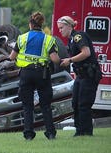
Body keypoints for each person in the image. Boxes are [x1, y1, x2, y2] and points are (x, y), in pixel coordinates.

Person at [9, 11, 60, 140]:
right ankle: (50, 133)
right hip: (42, 74)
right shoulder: (49, 39)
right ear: (42, 24)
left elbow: (12, 57)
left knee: (27, 106)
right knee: (45, 105)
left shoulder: (22, 38)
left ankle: (28, 135)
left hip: (26, 74)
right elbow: (55, 59)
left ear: (30, 24)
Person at [57, 16, 102, 136]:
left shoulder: (78, 37)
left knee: (84, 104)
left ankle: (86, 132)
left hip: (89, 75)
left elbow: (86, 53)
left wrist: (69, 60)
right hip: (80, 76)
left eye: (61, 28)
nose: (60, 30)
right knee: (75, 103)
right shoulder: (71, 40)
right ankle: (79, 130)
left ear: (68, 26)